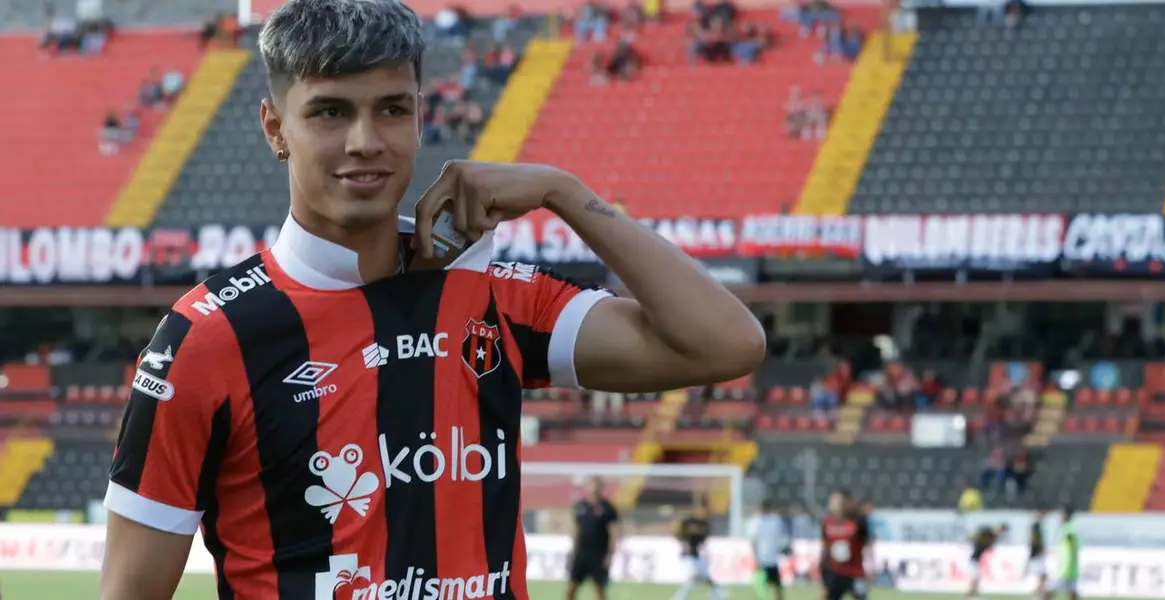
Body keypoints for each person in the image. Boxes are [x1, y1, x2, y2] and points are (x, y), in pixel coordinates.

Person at [97, 0, 766, 598]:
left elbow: (726, 342)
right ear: (275, 128)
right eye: (330, 111)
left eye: (392, 108)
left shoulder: (491, 296)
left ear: (422, 118)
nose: (366, 140)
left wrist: (564, 192)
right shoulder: (206, 339)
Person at [567, 478, 619, 600]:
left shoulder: (607, 508)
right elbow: (575, 529)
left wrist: (610, 555)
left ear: (601, 487)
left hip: (598, 554)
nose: (593, 488)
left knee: (599, 590)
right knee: (571, 588)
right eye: (591, 485)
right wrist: (572, 550)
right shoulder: (580, 506)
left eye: (596, 485)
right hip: (581, 553)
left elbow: (614, 533)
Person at [820, 490, 872, 600]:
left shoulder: (857, 522)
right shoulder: (827, 523)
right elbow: (825, 547)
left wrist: (871, 566)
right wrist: (822, 568)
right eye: (832, 501)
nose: (834, 505)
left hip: (856, 573)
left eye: (837, 501)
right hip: (835, 572)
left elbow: (868, 544)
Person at [670, 504, 727, 600]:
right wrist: (683, 542)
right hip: (687, 556)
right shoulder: (688, 522)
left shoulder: (704, 525)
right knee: (694, 576)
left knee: (707, 580)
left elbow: (703, 541)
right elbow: (677, 532)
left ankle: (718, 596)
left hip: (697, 556)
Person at [749, 500, 789, 600]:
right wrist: (756, 557)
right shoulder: (757, 521)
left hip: (772, 559)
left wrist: (783, 548)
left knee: (778, 588)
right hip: (761, 560)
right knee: (761, 590)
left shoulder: (775, 520)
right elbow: (753, 541)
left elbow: (781, 536)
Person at [965, 523, 1009, 600]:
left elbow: (989, 548)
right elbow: (975, 536)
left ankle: (973, 595)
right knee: (974, 578)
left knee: (977, 578)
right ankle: (968, 595)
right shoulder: (987, 532)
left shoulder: (993, 537)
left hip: (976, 560)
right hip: (972, 559)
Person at [1054, 507, 1080, 600]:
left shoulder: (1069, 529)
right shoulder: (1068, 528)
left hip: (1066, 569)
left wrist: (1071, 563)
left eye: (1061, 515)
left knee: (1050, 590)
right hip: (1067, 568)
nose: (1060, 517)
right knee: (1072, 593)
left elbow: (1073, 547)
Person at [1028, 510, 1048, 600]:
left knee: (1042, 577)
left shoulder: (1037, 526)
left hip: (1036, 555)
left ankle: (1038, 596)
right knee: (1042, 576)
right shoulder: (1036, 527)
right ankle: (1038, 596)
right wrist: (1041, 550)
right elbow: (1035, 541)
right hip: (1036, 556)